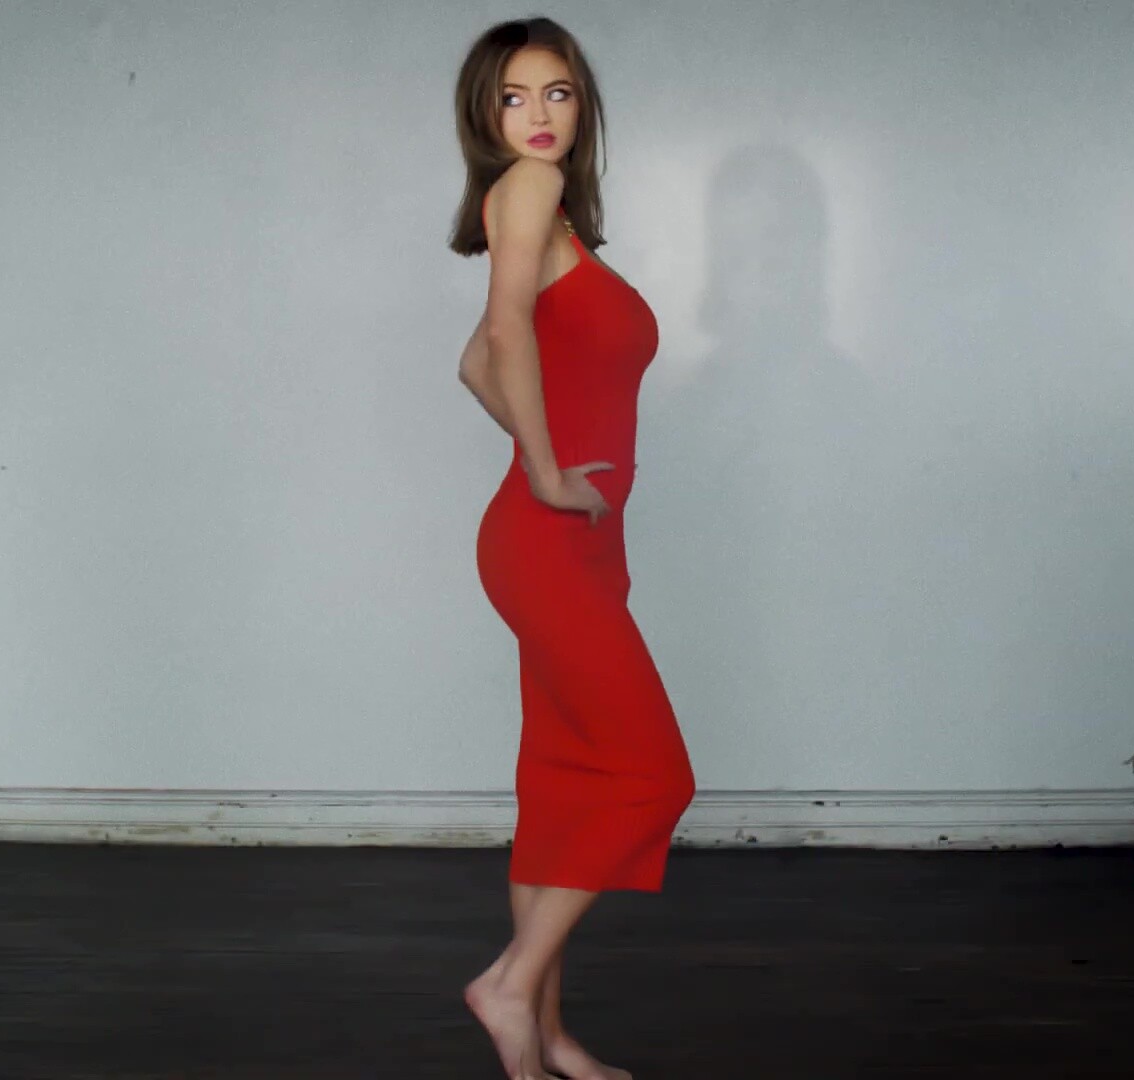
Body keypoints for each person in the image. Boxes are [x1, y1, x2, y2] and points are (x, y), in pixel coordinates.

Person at [448, 17, 696, 1080]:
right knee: (651, 774)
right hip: (544, 540)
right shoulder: (528, 188)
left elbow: (475, 363)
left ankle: (542, 1038)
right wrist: (547, 470)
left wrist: (550, 459)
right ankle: (510, 987)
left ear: (583, 104)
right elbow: (504, 336)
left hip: (579, 549)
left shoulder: (547, 217)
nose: (539, 116)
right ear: (484, 113)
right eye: (513, 97)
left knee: (561, 781)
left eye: (557, 93)